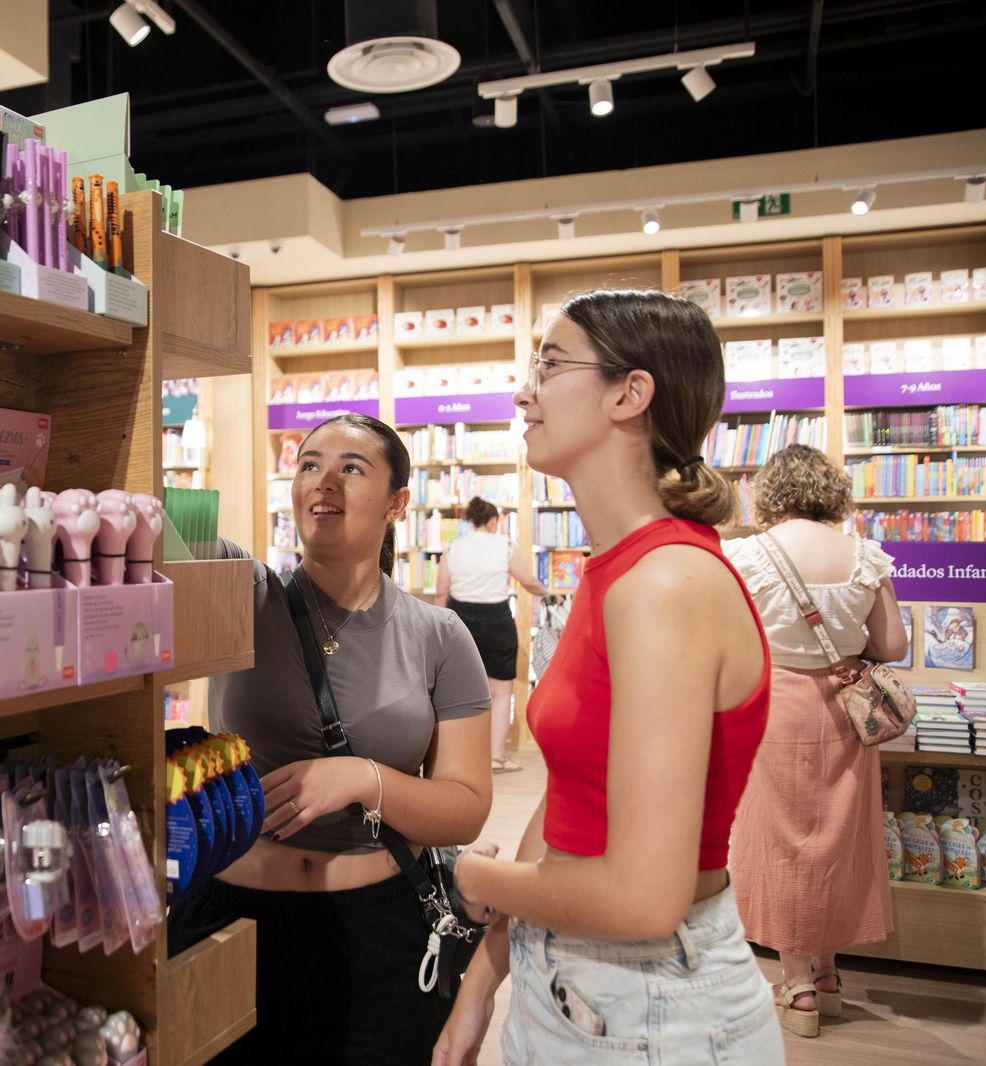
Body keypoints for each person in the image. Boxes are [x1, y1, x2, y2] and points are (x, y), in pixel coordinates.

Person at [433, 290, 783, 1066]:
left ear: (630, 393)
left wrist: (477, 873)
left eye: (550, 365)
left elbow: (643, 897)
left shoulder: (664, 585)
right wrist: (481, 982)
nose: (524, 391)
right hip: (581, 985)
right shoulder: (616, 571)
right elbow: (568, 800)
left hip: (653, 1006)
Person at [169, 413, 493, 1065]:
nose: (325, 482)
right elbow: (169, 534)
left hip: (377, 931)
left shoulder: (439, 637)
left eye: (352, 468)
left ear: (399, 503)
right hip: (229, 918)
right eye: (310, 464)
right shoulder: (245, 592)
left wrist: (365, 779)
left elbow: (466, 806)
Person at [721, 443, 906, 1038]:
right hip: (844, 715)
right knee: (836, 839)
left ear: (770, 492)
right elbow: (894, 645)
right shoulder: (863, 555)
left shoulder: (745, 555)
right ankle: (828, 975)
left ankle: (796, 985)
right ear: (832, 491)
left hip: (770, 709)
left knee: (780, 841)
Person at [435, 496, 548, 773]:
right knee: (500, 692)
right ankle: (496, 758)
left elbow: (441, 593)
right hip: (497, 618)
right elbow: (529, 581)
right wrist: (547, 594)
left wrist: (438, 631)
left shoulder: (453, 548)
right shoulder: (505, 544)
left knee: (458, 690)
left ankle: (458, 757)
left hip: (459, 617)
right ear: (494, 521)